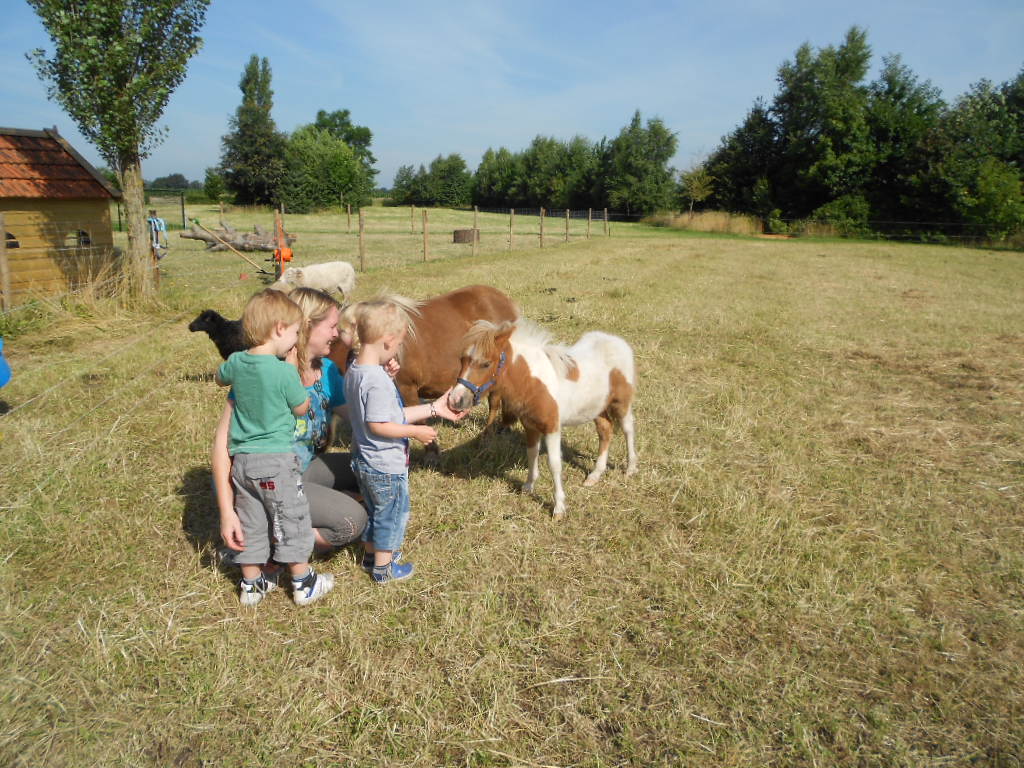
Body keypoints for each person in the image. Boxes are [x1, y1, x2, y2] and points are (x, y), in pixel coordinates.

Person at [212, 288, 367, 582]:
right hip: (271, 477)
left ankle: (277, 528)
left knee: (368, 466)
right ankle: (266, 541)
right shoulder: (261, 376)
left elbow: (359, 419)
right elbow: (222, 449)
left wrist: (383, 374)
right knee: (352, 522)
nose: (337, 334)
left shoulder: (328, 369)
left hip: (302, 468)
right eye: (332, 326)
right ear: (305, 327)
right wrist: (226, 512)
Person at [345, 298, 466, 584]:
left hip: (364, 458)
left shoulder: (357, 371)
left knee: (375, 510)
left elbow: (378, 411)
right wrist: (417, 432)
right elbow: (379, 424)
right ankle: (384, 569)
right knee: (391, 514)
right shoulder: (375, 379)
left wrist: (433, 408)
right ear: (388, 341)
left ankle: (371, 556)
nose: (400, 347)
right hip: (384, 464)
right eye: (400, 341)